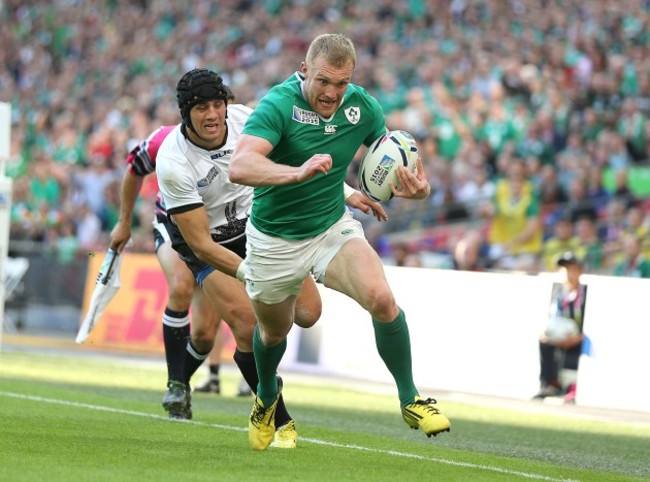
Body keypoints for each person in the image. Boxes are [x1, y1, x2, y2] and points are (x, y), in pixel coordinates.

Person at [229, 33, 451, 451]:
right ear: (304, 70)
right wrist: (295, 172)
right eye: (324, 81)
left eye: (341, 83)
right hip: (275, 238)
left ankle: (410, 398)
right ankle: (264, 395)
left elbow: (388, 159)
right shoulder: (278, 105)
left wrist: (415, 189)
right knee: (274, 333)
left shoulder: (362, 107)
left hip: (332, 227)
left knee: (381, 298)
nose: (332, 92)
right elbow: (240, 166)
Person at [157, 67, 383, 448]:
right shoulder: (173, 161)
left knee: (308, 314)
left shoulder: (247, 119)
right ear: (185, 113)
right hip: (207, 243)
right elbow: (200, 245)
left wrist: (345, 192)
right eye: (200, 108)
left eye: (217, 104)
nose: (212, 115)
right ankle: (278, 417)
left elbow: (300, 161)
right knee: (246, 324)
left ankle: (182, 381)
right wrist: (253, 275)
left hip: (258, 228)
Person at [533, 252, 586, 403]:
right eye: (565, 269)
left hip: (579, 338)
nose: (569, 273)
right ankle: (549, 385)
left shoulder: (585, 293)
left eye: (572, 268)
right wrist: (547, 334)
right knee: (544, 341)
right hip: (560, 337)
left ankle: (572, 388)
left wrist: (576, 338)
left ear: (580, 270)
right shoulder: (559, 293)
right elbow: (552, 320)